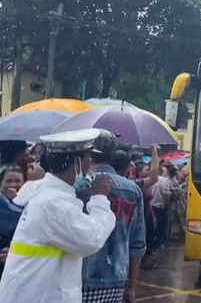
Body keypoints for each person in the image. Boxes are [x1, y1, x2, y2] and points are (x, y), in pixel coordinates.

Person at [0, 129, 116, 303]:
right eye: (88, 158)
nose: (90, 164)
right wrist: (100, 199)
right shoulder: (53, 203)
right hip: (38, 295)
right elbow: (91, 239)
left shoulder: (43, 192)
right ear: (77, 163)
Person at [76, 131, 147, 303]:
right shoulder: (132, 190)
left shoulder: (78, 186)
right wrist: (131, 288)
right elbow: (137, 244)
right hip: (117, 279)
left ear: (89, 154)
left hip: (79, 277)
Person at [0, 165, 24, 276]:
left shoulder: (32, 208)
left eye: (18, 181)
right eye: (8, 181)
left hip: (17, 271)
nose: (13, 185)